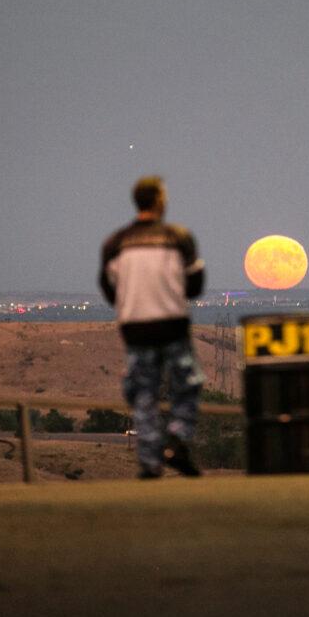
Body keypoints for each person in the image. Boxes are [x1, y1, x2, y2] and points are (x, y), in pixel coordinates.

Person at [99, 176, 206, 479]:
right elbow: (195, 285)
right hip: (172, 324)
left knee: (143, 392)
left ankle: (149, 461)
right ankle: (176, 437)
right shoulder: (179, 238)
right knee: (188, 382)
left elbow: (108, 290)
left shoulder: (115, 243)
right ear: (160, 201)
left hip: (135, 328)